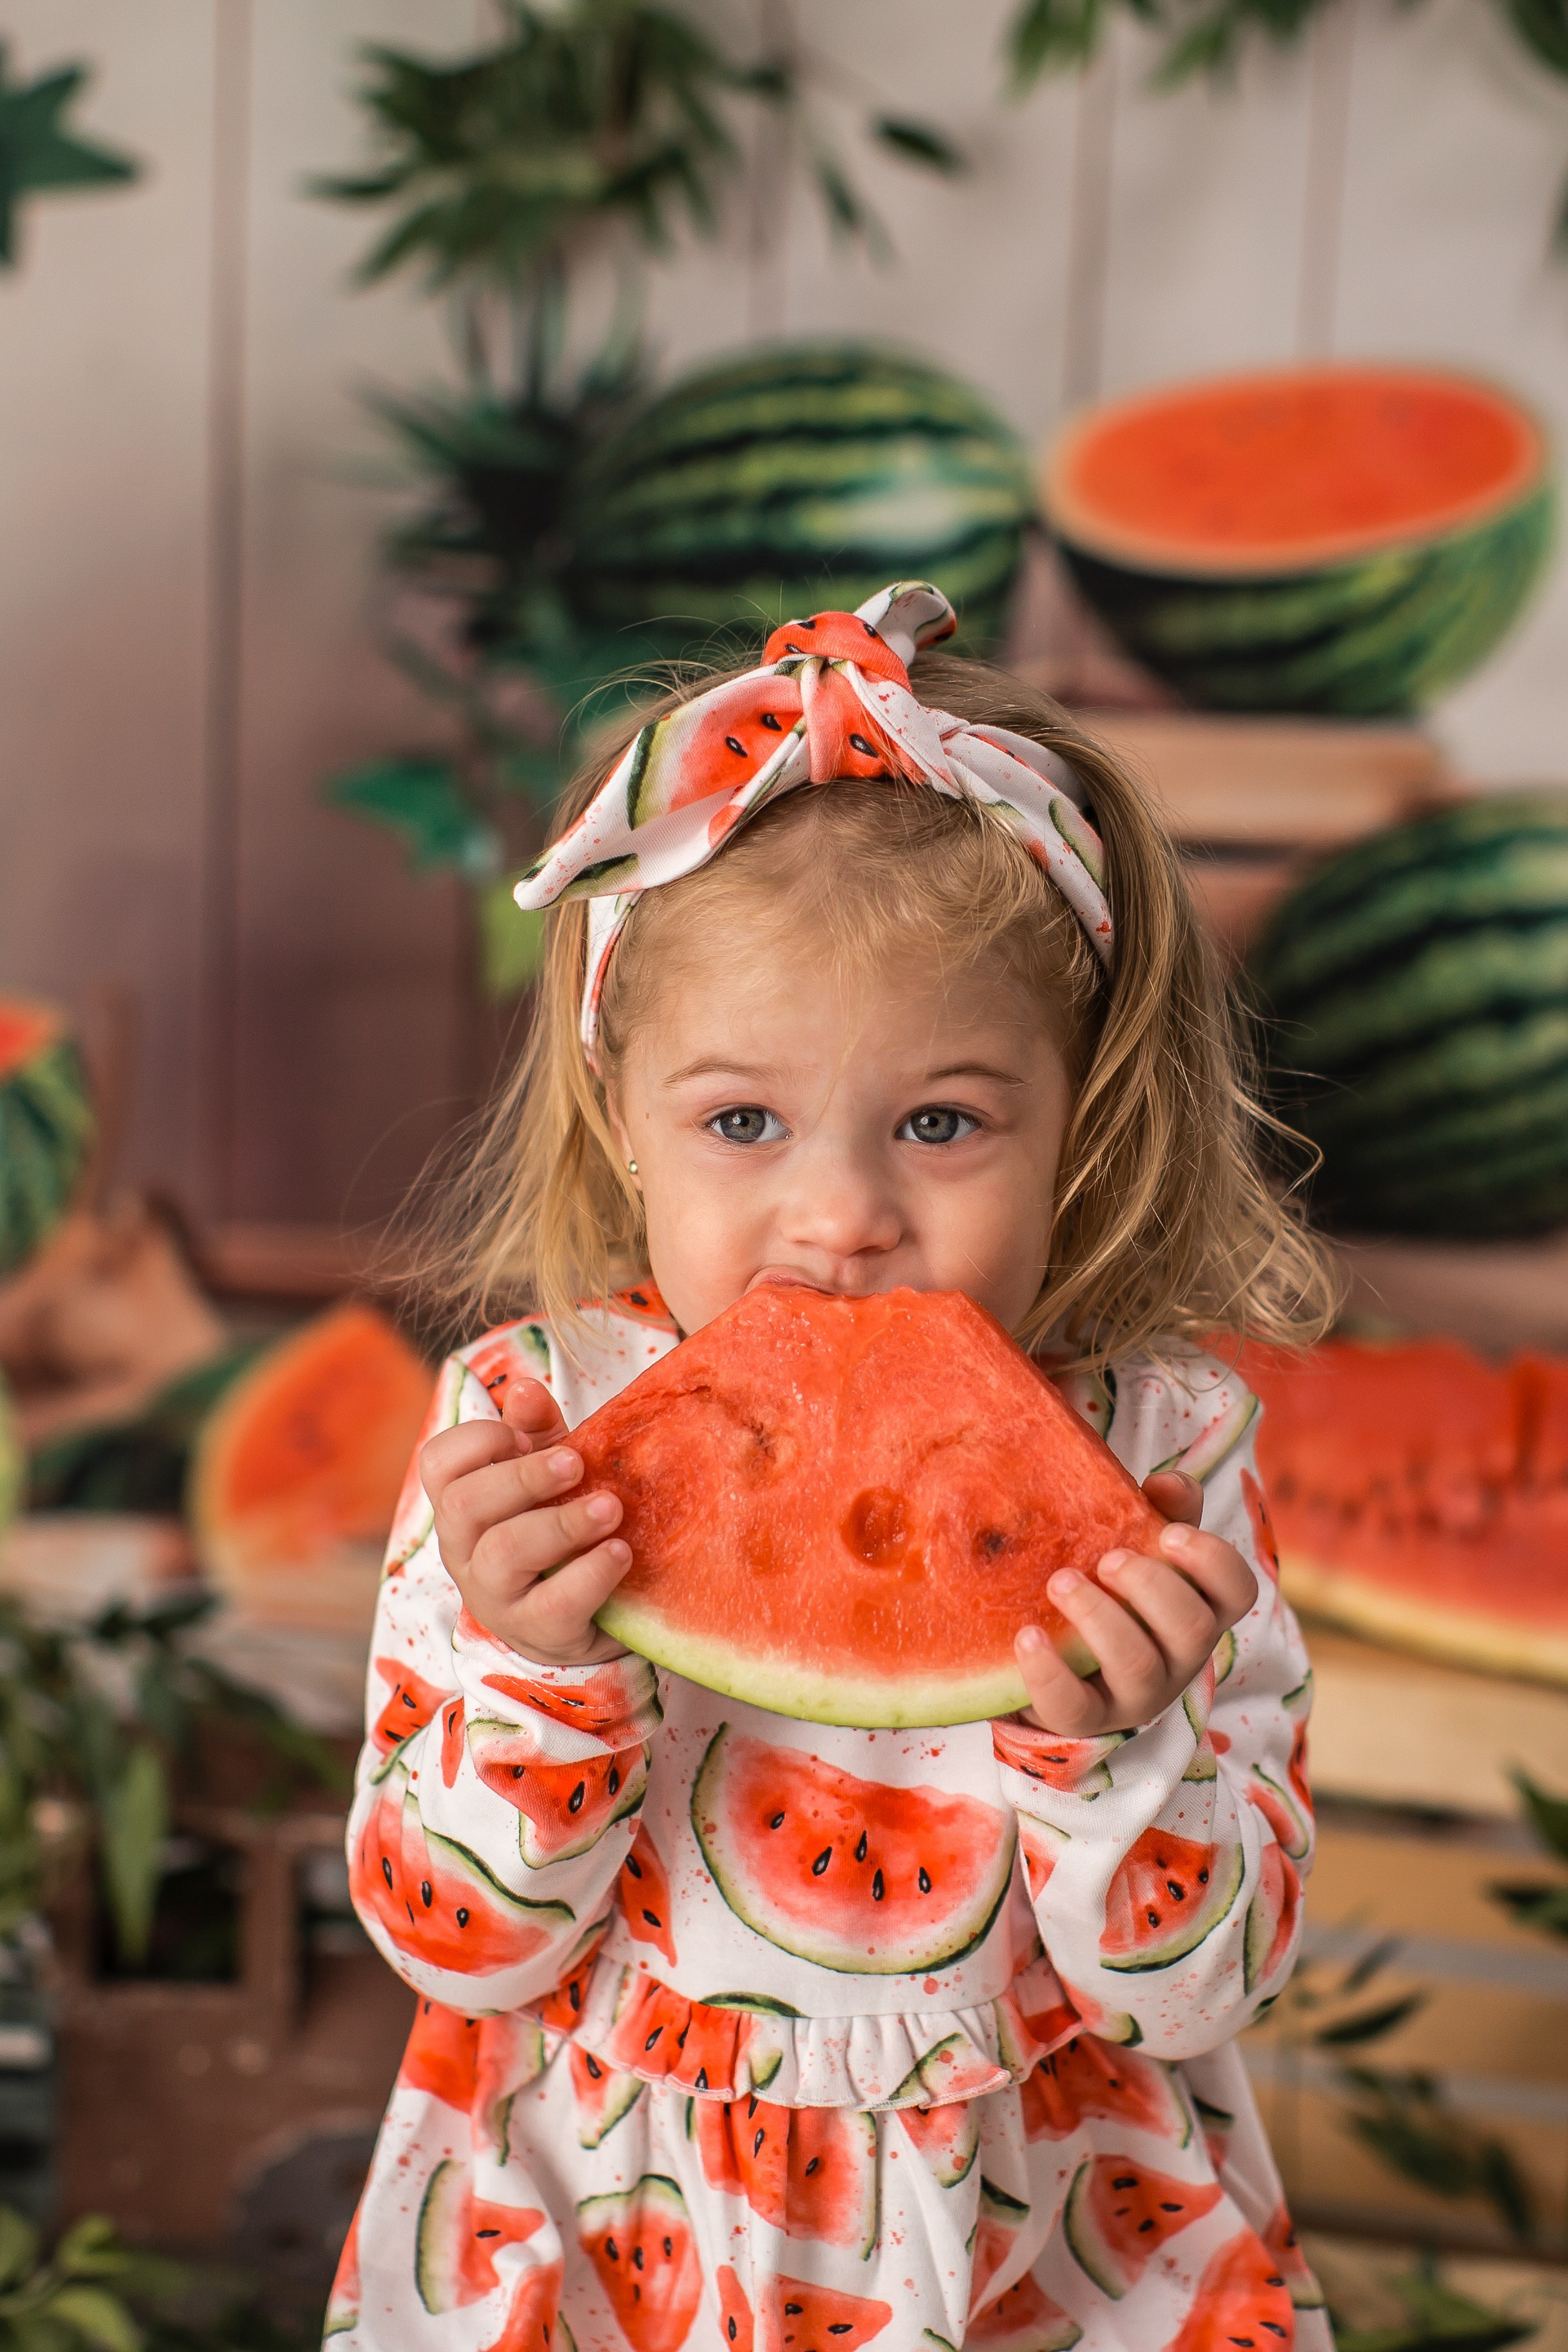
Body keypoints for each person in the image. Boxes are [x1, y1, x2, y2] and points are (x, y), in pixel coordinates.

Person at [329, 583, 1338, 2351]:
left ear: (1079, 1112)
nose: (846, 1215)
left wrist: (1117, 1753)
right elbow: (456, 1949)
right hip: (611, 2210)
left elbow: (1196, 1994)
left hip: (1046, 2224)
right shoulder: (526, 1428)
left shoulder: (1167, 1457)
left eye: (942, 1122)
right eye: (744, 1123)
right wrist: (535, 1671)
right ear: (621, 1127)